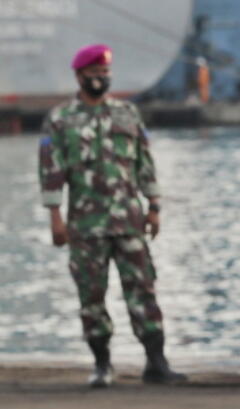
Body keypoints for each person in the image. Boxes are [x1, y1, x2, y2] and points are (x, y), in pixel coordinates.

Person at [39, 43, 185, 387]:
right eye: (94, 74)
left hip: (129, 222)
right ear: (79, 76)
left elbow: (144, 163)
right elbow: (51, 170)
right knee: (91, 296)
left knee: (143, 290)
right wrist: (55, 217)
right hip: (85, 225)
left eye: (105, 74)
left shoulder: (127, 114)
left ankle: (156, 362)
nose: (101, 79)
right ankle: (102, 364)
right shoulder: (61, 119)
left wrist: (154, 207)